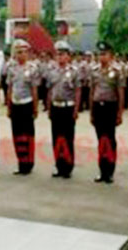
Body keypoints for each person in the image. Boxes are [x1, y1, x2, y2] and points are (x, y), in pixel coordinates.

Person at [90, 41, 125, 184]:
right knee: (100, 140)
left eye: (104, 54)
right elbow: (92, 92)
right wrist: (91, 112)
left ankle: (109, 171)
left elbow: (120, 93)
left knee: (109, 139)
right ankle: (102, 171)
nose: (101, 57)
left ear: (111, 55)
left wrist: (120, 113)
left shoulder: (116, 71)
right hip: (98, 107)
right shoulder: (95, 71)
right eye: (100, 54)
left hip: (110, 107)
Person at [46, 41, 81, 179]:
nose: (60, 57)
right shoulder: (52, 71)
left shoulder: (74, 71)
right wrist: (49, 108)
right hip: (56, 107)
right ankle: (59, 166)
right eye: (58, 54)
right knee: (57, 139)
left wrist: (76, 110)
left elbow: (78, 91)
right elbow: (50, 91)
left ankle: (68, 167)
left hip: (68, 108)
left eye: (63, 54)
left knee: (67, 139)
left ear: (68, 56)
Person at [7, 39, 40, 175]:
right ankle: (21, 162)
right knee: (17, 135)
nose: (20, 55)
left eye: (23, 52)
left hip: (27, 104)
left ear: (27, 54)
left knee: (28, 135)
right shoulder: (12, 68)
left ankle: (29, 163)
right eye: (18, 52)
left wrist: (35, 107)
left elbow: (34, 90)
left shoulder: (32, 68)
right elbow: (9, 88)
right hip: (15, 104)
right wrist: (9, 106)